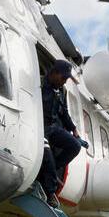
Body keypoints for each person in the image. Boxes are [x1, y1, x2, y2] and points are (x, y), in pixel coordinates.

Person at [36, 59, 88, 208]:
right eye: (63, 78)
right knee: (46, 151)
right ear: (55, 73)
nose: (64, 82)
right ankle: (50, 193)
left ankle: (49, 172)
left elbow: (64, 112)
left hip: (53, 128)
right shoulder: (38, 84)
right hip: (39, 126)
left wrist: (74, 129)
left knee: (74, 146)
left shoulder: (61, 90)